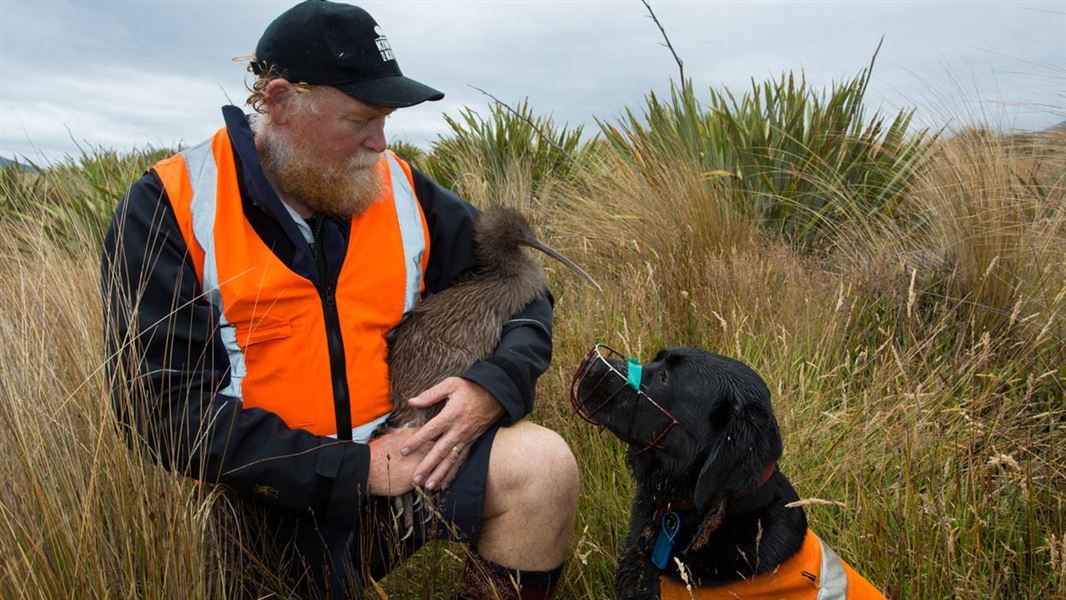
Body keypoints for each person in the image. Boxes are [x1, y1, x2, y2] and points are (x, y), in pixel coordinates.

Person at [100, 1, 578, 598]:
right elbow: (163, 411)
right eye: (360, 120)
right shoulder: (169, 209)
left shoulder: (400, 188)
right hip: (256, 509)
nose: (381, 142)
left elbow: (522, 287)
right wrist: (353, 471)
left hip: (397, 468)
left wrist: (493, 388)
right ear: (280, 102)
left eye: (386, 118)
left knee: (543, 469)